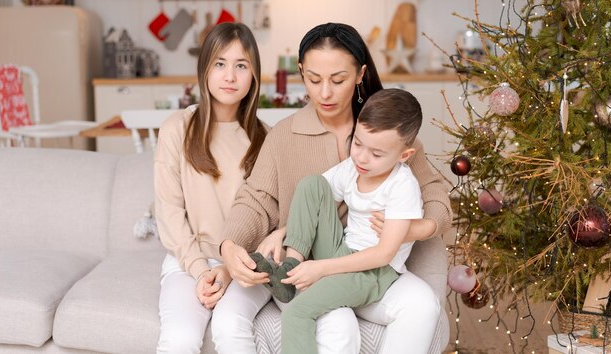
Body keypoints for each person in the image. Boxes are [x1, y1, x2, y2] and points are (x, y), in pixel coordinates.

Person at [213, 22, 451, 354]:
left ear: (359, 74)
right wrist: (229, 245)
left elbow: (436, 192)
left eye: (337, 80)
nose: (324, 93)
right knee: (336, 326)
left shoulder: (385, 134)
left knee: (423, 304)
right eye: (313, 79)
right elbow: (256, 198)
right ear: (301, 73)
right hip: (311, 265)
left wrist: (418, 228)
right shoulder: (284, 135)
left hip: (369, 264)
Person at [251, 88, 425, 354]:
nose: (362, 158)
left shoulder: (402, 187)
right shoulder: (353, 168)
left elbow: (382, 254)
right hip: (343, 249)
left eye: (377, 154)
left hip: (372, 272)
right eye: (357, 143)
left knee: (297, 312)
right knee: (312, 184)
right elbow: (314, 200)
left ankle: (298, 280)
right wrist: (282, 234)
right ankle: (291, 264)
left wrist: (321, 268)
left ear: (404, 155)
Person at [154, 22, 267, 353]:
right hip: (188, 262)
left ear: (254, 76)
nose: (230, 76)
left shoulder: (266, 138)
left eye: (241, 65)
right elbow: (169, 210)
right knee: (179, 340)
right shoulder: (177, 129)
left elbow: (268, 221)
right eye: (220, 64)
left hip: (247, 266)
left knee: (230, 331)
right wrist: (201, 270)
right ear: (204, 69)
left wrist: (231, 270)